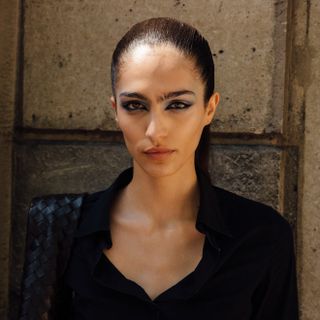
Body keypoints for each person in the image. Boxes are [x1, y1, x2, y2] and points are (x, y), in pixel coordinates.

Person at [21, 17, 299, 319]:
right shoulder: (60, 228)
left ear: (209, 108)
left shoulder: (262, 236)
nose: (155, 131)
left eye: (177, 105)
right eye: (136, 106)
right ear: (116, 111)